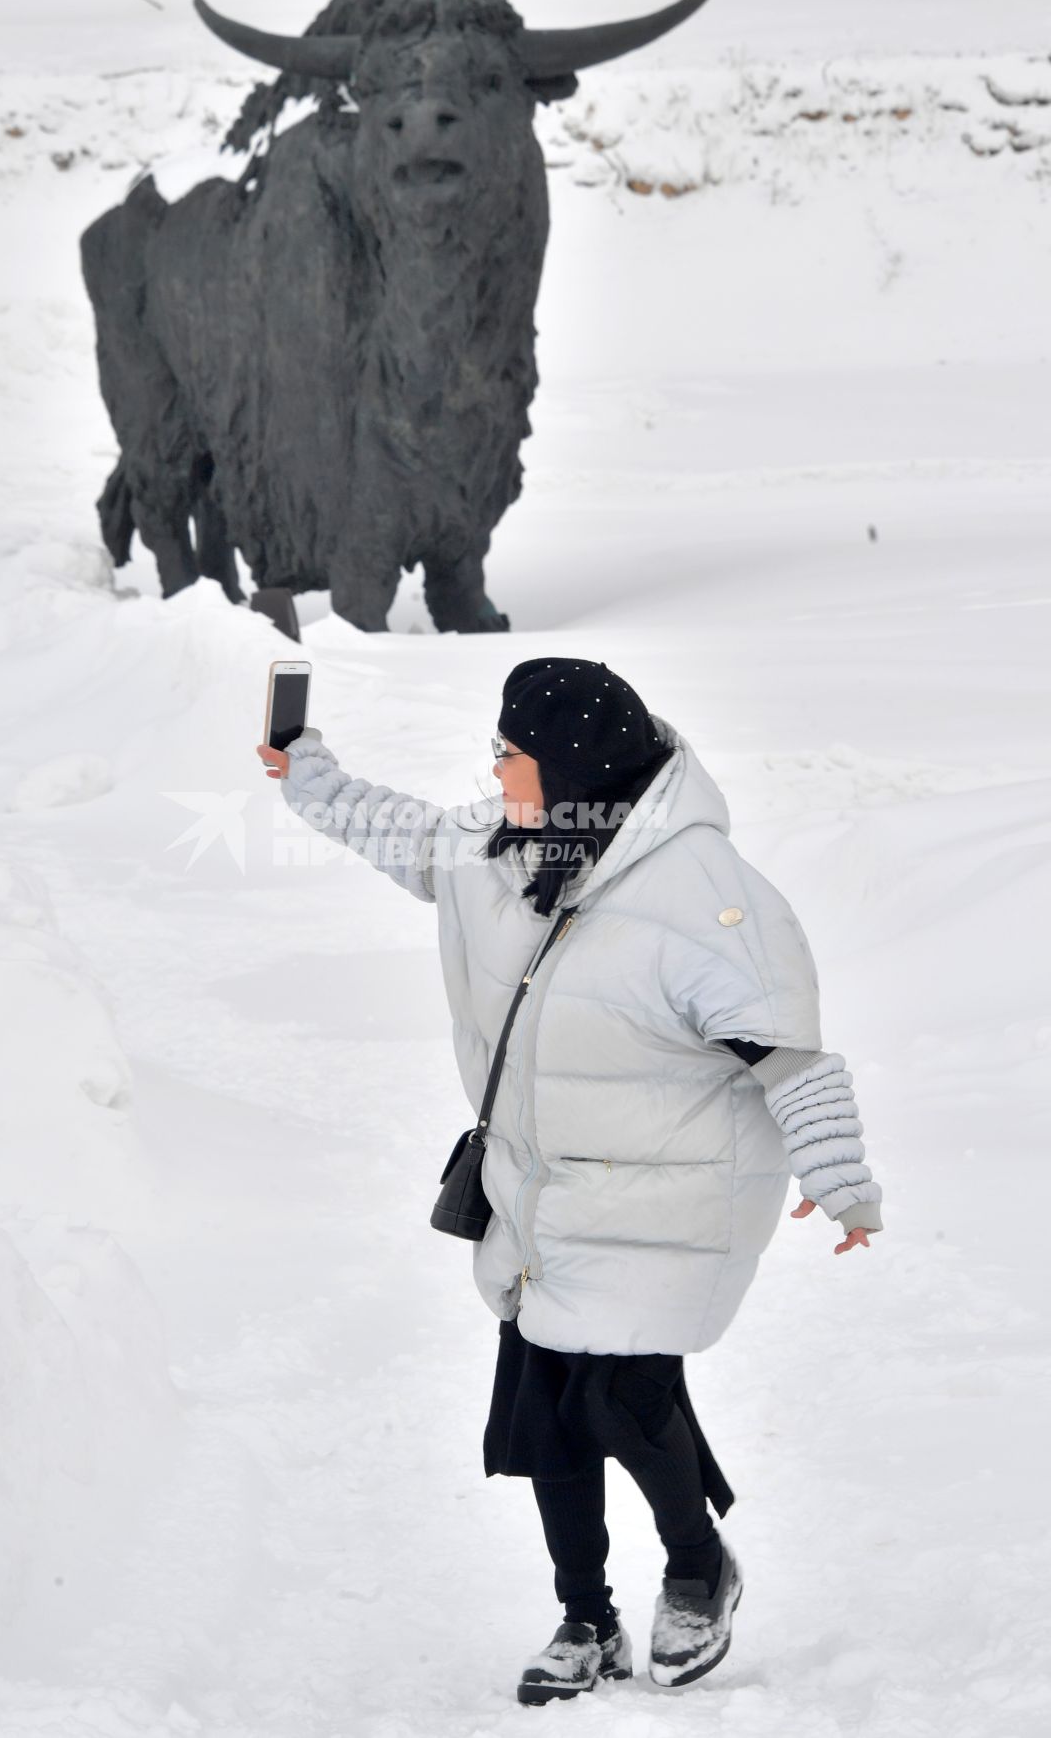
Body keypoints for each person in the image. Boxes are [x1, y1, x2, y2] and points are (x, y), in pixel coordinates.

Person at [256, 657, 883, 1705]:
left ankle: (695, 1569)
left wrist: (840, 1178)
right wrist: (306, 771)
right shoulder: (504, 850)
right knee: (548, 1401)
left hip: (671, 1188)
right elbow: (400, 832)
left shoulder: (703, 899)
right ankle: (584, 1618)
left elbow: (791, 1058)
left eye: (509, 754)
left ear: (573, 762)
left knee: (620, 1395)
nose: (494, 771)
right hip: (543, 1190)